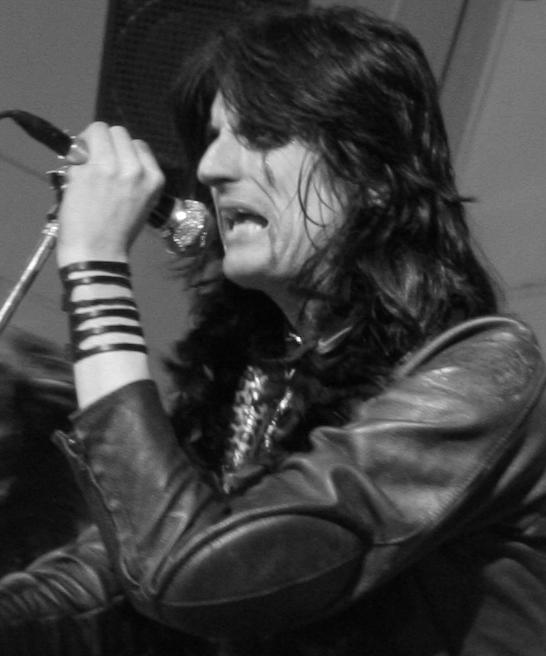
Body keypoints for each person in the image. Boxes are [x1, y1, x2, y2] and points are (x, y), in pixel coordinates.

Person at [1, 5, 545, 655]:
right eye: (213, 137)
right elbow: (112, 583)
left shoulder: (483, 378)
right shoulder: (253, 377)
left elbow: (201, 575)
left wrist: (95, 270)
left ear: (373, 172)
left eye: (260, 132)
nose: (209, 167)